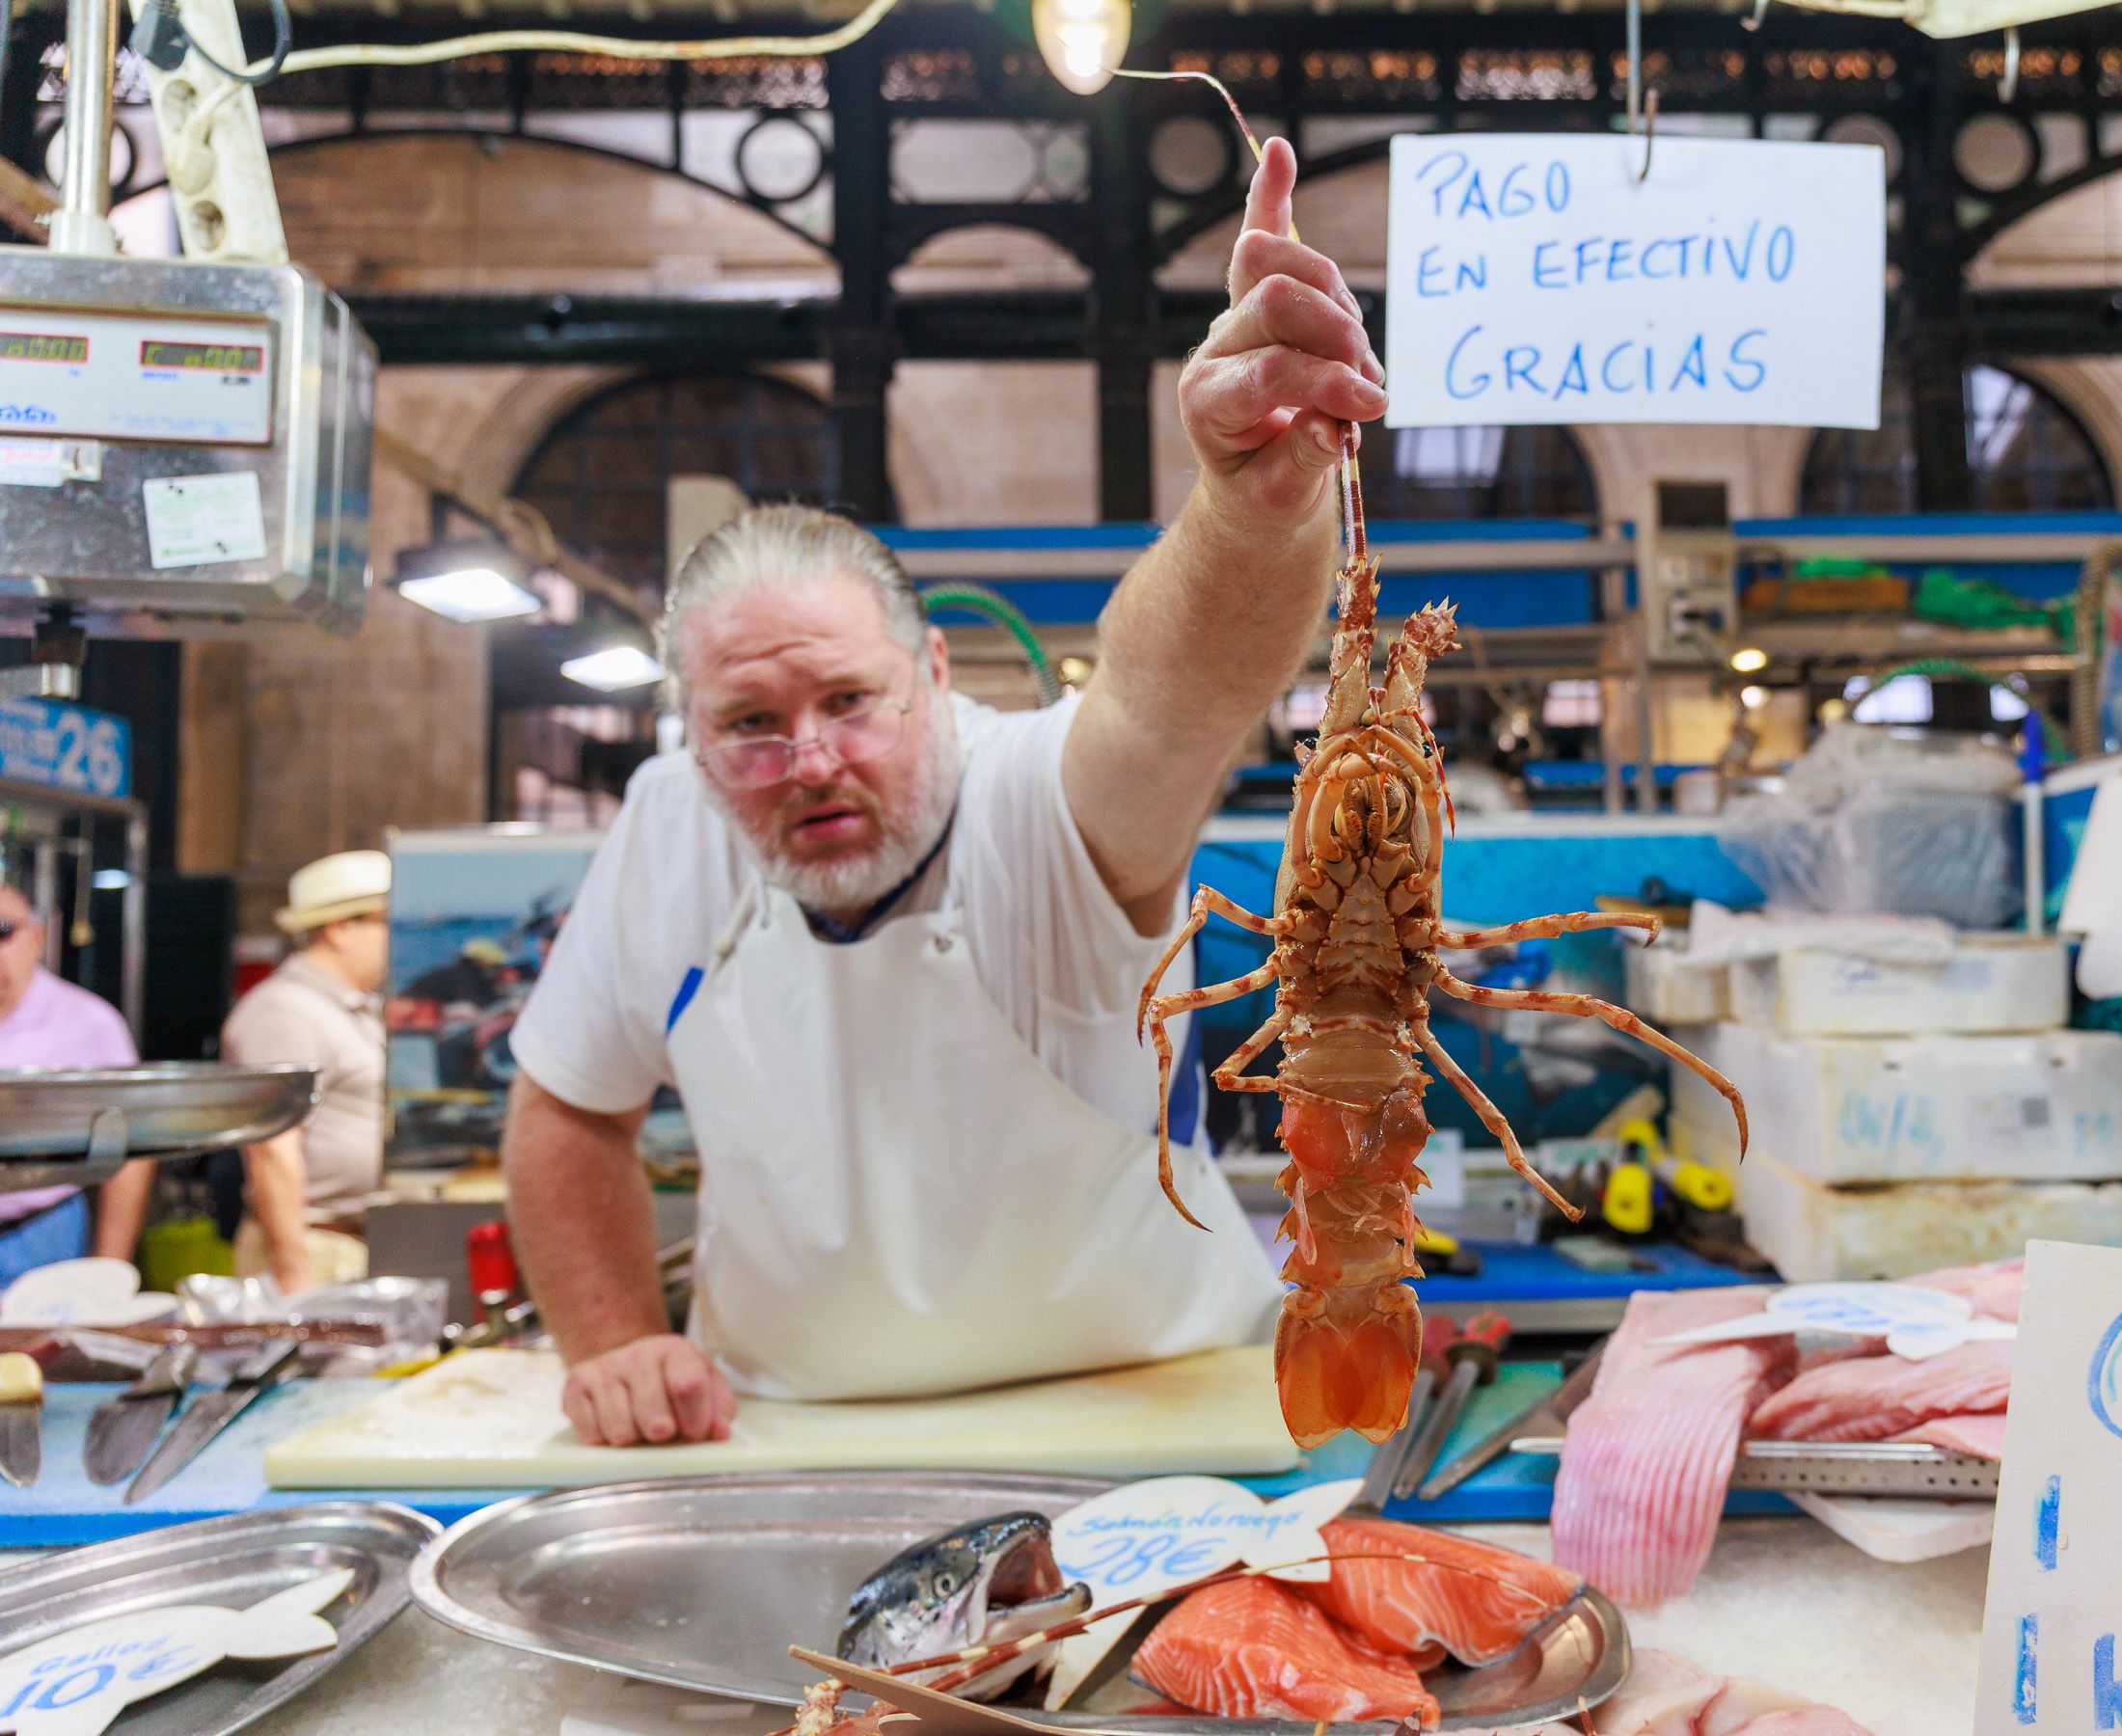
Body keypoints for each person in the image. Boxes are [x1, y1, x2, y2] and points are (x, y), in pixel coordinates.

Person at [503, 138, 1385, 1447]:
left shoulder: (1032, 804)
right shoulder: (667, 825)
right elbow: (570, 1106)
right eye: (750, 726)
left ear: (930, 673)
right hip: (787, 1444)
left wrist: (1253, 509)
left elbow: (1170, 701)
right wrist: (617, 1338)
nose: (811, 761)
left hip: (1155, 1437)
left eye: (850, 701)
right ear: (689, 734)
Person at [222, 850, 392, 1294]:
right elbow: (272, 1148)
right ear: (340, 928)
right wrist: (293, 1274)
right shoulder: (285, 1011)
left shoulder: (352, 1007)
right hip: (313, 1249)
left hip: (348, 1243)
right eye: (388, 920)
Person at [0, 868, 150, 1287]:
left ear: (37, 937)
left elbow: (133, 1145)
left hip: (40, 1232)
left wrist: (108, 1273)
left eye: (3, 930)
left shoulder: (87, 1022)